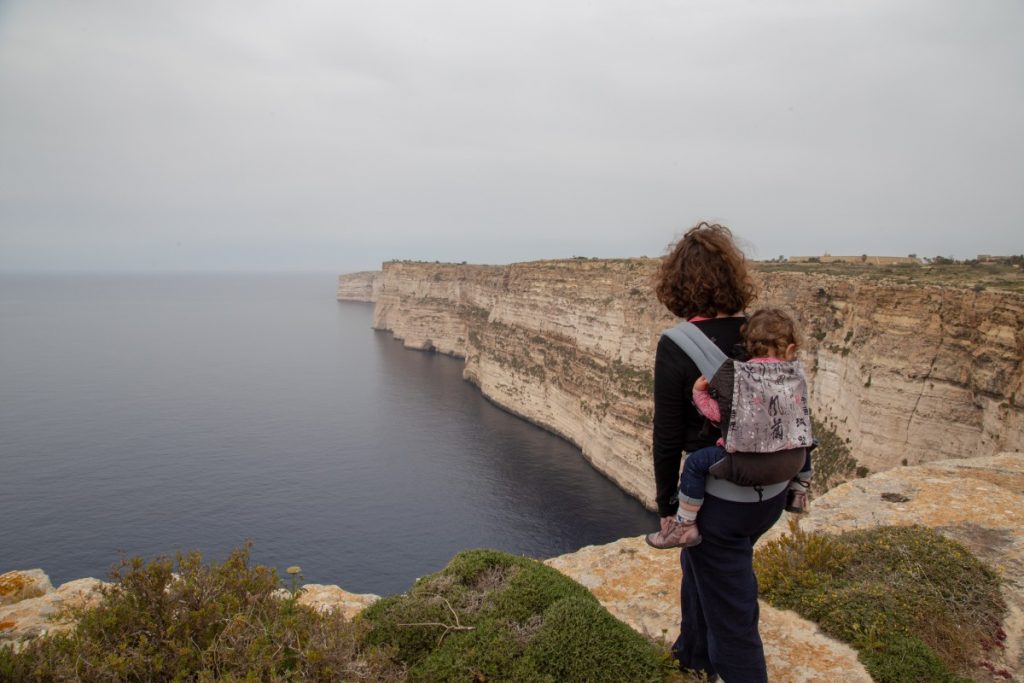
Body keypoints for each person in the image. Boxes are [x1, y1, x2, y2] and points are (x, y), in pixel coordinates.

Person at [650, 221, 789, 682]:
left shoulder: (677, 344)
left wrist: (669, 508)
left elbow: (668, 437)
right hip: (770, 491)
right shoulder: (759, 335)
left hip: (722, 498)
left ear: (676, 284)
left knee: (735, 622)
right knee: (700, 564)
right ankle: (691, 656)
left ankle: (728, 667)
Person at [646, 307, 814, 549]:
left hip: (744, 457)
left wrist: (699, 394)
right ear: (789, 350)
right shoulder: (795, 374)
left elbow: (718, 415)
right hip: (790, 460)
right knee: (806, 437)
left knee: (694, 464)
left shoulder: (742, 376)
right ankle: (800, 489)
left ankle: (685, 525)